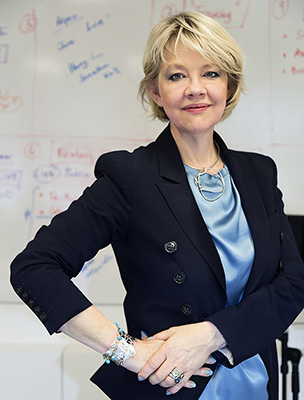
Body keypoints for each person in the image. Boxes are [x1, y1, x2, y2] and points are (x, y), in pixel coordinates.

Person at [10, 11, 304, 400]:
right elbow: (34, 268)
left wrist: (211, 334)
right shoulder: (130, 176)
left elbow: (294, 282)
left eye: (211, 73)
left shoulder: (259, 173)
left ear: (229, 85)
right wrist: (127, 352)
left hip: (258, 383)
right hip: (170, 388)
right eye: (177, 75)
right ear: (154, 90)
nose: (195, 89)